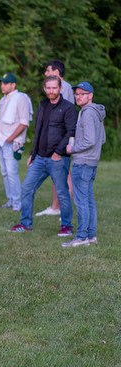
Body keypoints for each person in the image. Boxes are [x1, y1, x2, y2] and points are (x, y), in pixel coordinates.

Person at [8, 75, 77, 236]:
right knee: (26, 188)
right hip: (39, 158)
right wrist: (33, 154)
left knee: (62, 193)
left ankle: (67, 226)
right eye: (48, 88)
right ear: (44, 89)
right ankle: (25, 224)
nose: (51, 90)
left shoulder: (68, 108)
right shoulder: (42, 105)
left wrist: (58, 153)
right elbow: (38, 131)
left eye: (55, 87)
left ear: (60, 88)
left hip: (58, 159)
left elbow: (71, 132)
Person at [63, 82, 106, 247]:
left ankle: (81, 237)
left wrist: (73, 149)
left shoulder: (87, 113)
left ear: (91, 96)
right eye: (76, 94)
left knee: (82, 201)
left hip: (83, 162)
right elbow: (101, 139)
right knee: (88, 200)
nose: (78, 96)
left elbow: (90, 140)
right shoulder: (97, 112)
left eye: (82, 94)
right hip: (92, 161)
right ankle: (91, 236)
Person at [0, 73, 32, 212]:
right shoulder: (3, 100)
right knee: (5, 172)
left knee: (12, 172)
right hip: (0, 142)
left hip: (12, 143)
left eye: (5, 83)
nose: (2, 86)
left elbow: (24, 123)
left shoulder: (21, 99)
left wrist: (10, 138)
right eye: (1, 83)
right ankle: (11, 200)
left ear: (13, 85)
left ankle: (18, 203)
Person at [37, 59, 75, 217]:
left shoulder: (63, 87)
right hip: (55, 140)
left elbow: (65, 118)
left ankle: (63, 210)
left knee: (65, 174)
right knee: (57, 174)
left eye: (48, 70)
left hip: (63, 140)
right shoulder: (60, 86)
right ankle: (55, 207)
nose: (45, 73)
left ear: (57, 72)